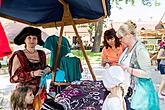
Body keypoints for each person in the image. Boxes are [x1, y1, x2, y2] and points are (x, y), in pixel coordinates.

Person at [117, 20, 159, 110]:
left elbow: (147, 74)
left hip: (140, 97)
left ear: (129, 35)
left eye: (121, 37)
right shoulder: (127, 49)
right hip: (128, 92)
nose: (119, 40)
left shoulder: (140, 49)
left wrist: (128, 69)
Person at [8, 27, 51, 109]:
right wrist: (33, 73)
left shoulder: (41, 54)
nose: (32, 40)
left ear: (37, 40)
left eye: (34, 38)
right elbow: (13, 78)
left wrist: (48, 69)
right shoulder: (19, 55)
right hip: (25, 95)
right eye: (29, 38)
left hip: (40, 91)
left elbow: (44, 67)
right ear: (24, 40)